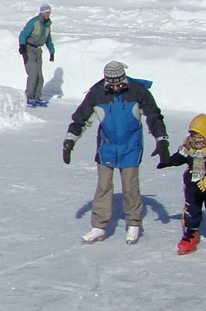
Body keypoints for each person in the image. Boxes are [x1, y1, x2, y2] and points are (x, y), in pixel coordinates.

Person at [62, 61, 170, 244]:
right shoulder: (97, 93)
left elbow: (154, 116)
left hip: (131, 146)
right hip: (107, 146)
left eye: (119, 83)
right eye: (111, 84)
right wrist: (70, 140)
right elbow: (81, 118)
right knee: (104, 186)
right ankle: (99, 226)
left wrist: (162, 141)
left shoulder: (137, 91)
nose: (116, 87)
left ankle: (134, 223)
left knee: (130, 186)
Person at [157, 113, 206, 254]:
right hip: (193, 183)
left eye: (199, 136)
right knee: (191, 210)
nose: (195, 139)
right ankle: (191, 235)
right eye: (193, 135)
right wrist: (168, 161)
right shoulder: (189, 144)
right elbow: (181, 156)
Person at [18, 3, 55, 107]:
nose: (48, 14)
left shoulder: (47, 26)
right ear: (42, 12)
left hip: (38, 51)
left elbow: (48, 40)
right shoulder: (34, 22)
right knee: (33, 75)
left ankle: (36, 97)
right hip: (29, 50)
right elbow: (23, 34)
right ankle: (29, 97)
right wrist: (22, 46)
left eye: (49, 12)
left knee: (40, 76)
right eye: (46, 12)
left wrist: (52, 51)